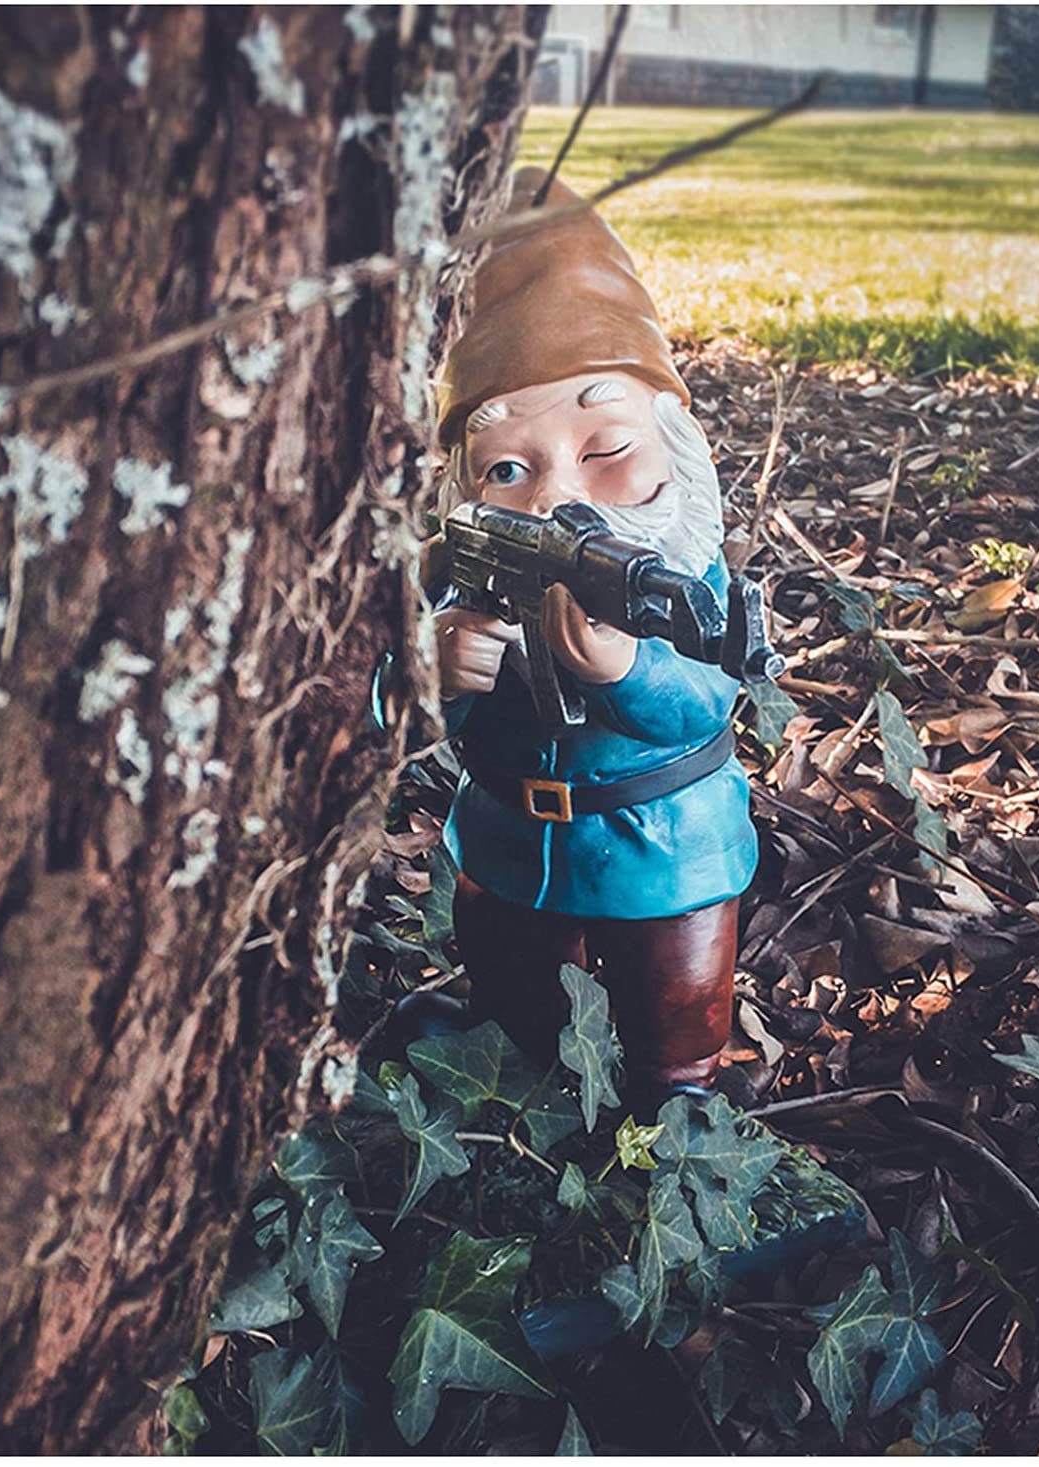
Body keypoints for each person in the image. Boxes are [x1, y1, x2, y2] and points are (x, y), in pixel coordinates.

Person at [414, 166, 760, 1113]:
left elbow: (703, 700)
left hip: (665, 850)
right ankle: (512, 1073)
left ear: (674, 446)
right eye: (507, 468)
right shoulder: (455, 577)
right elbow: (384, 707)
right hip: (507, 846)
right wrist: (434, 670)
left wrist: (626, 667)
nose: (557, 495)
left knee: (675, 1014)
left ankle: (676, 1119)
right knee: (510, 995)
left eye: (605, 451)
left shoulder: (679, 576)